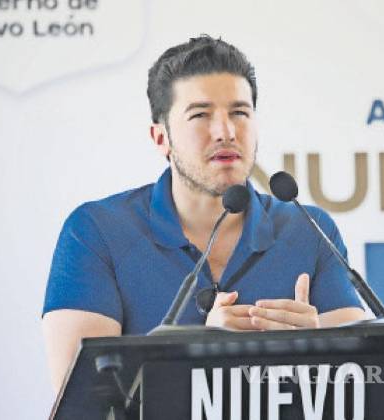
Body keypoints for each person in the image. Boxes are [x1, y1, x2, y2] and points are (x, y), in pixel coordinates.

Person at [42, 35, 365, 393]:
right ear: (161, 138)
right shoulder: (96, 231)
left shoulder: (309, 229)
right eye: (200, 114)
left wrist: (319, 351)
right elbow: (84, 401)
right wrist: (197, 355)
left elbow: (369, 383)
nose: (226, 132)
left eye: (239, 113)